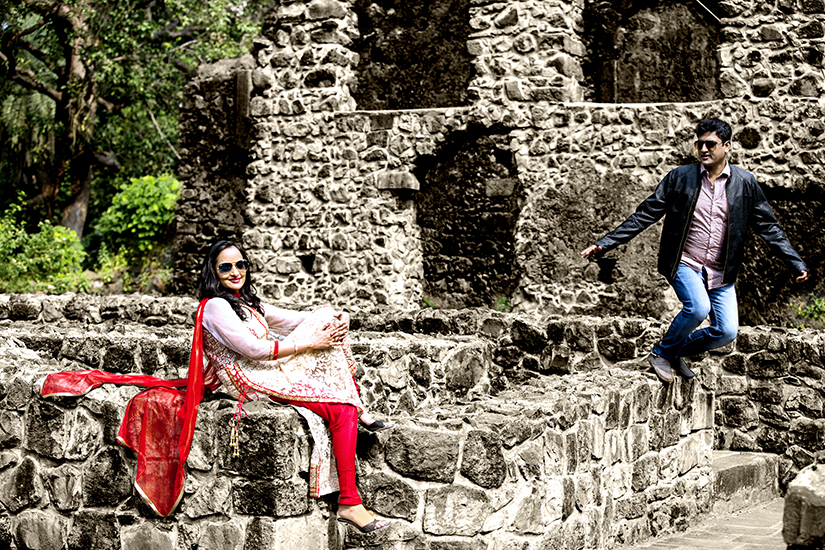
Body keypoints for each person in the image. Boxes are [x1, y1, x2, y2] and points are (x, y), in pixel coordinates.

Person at [581, 119, 808, 383]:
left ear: (727, 146)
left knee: (726, 331)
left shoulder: (745, 183)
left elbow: (768, 227)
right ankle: (660, 354)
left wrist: (795, 263)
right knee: (698, 308)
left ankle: (673, 351)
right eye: (699, 144)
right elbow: (645, 214)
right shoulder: (680, 178)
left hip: (721, 271)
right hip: (685, 261)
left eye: (710, 144)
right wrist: (606, 243)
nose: (703, 149)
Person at [198, 239, 392, 533]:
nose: (235, 272)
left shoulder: (247, 303)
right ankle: (350, 503)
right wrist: (310, 344)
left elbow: (300, 319)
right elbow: (254, 350)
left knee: (325, 316)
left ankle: (350, 495)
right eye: (226, 267)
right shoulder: (215, 306)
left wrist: (340, 316)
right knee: (343, 410)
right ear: (213, 271)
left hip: (264, 370)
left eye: (241, 264)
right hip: (246, 379)